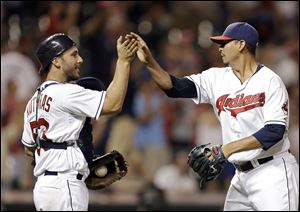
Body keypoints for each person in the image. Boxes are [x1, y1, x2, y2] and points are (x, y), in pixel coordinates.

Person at [128, 22, 299, 211]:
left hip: (272, 173)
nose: (220, 48)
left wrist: (226, 149)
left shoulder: (270, 81)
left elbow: (274, 131)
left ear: (241, 44)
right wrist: (149, 61)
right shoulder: (216, 78)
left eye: (225, 43)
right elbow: (173, 87)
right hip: (241, 175)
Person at [21, 33, 138, 211]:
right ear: (56, 61)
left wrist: (56, 158)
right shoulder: (64, 93)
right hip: (65, 186)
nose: (80, 59)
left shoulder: (33, 102)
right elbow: (113, 104)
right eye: (73, 54)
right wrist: (123, 62)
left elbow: (30, 150)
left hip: (44, 189)